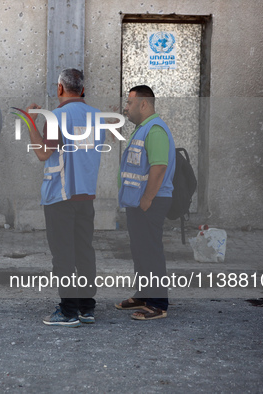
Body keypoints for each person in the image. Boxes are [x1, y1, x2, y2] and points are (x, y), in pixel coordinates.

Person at [25, 68, 104, 327]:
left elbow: (43, 154)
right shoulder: (97, 116)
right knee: (84, 250)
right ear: (82, 89)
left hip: (60, 195)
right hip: (85, 195)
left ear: (60, 89)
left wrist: (29, 121)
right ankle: (86, 307)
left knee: (63, 254)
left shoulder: (56, 116)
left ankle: (68, 310)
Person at [115, 85, 175, 320]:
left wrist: (147, 199)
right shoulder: (142, 129)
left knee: (151, 252)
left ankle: (158, 304)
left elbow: (159, 167)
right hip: (138, 203)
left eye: (129, 103)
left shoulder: (155, 129)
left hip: (151, 201)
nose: (126, 107)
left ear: (143, 104)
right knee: (140, 251)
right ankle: (143, 295)